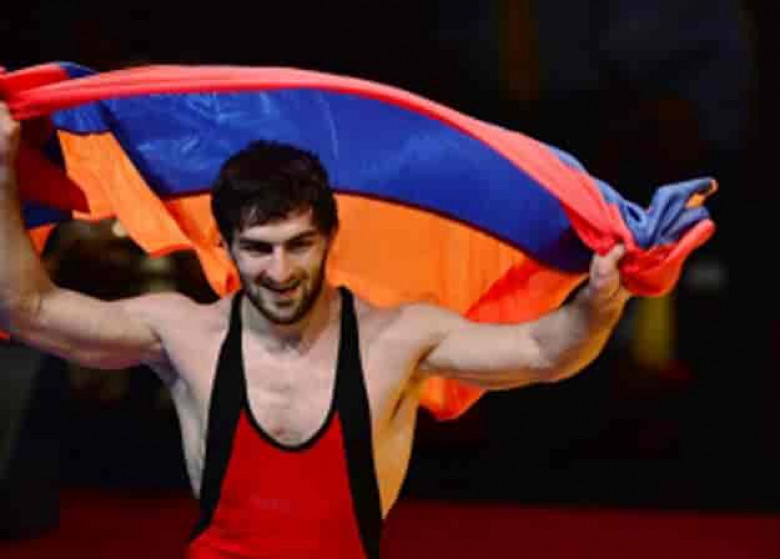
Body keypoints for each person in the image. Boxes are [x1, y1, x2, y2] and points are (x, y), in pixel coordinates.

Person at [0, 102, 630, 558]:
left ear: (330, 237)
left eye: (299, 244)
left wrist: (604, 297)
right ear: (225, 247)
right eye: (258, 248)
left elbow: (544, 350)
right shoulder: (187, 334)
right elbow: (28, 309)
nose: (280, 272)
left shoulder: (397, 339)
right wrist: (3, 173)